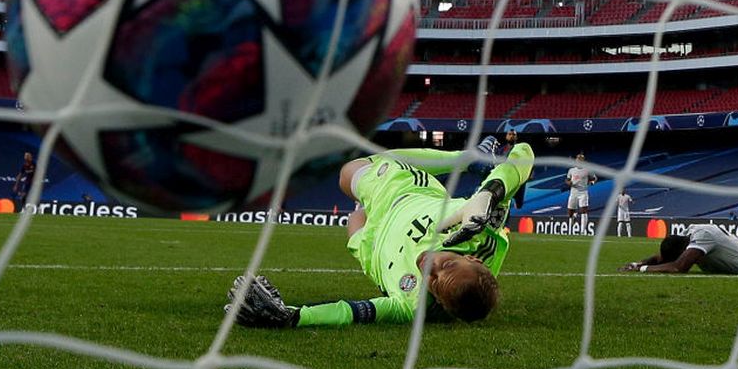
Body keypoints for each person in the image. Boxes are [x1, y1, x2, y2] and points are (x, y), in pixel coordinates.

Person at [226, 136, 534, 327]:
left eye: (434, 284)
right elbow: (523, 152)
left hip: (372, 238)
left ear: (439, 302)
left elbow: (352, 312)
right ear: (476, 262)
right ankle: (464, 160)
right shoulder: (481, 237)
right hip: (407, 191)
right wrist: (490, 193)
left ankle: (464, 160)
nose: (429, 266)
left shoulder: (409, 307)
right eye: (448, 264)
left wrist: (296, 316)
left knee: (356, 196)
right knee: (349, 172)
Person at [566, 152, 596, 234]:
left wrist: (592, 182)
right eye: (577, 159)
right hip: (573, 192)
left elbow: (594, 178)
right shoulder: (571, 170)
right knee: (570, 212)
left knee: (584, 210)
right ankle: (570, 230)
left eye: (580, 159)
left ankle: (582, 231)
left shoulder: (587, 170)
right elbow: (567, 179)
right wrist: (569, 183)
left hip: (583, 192)